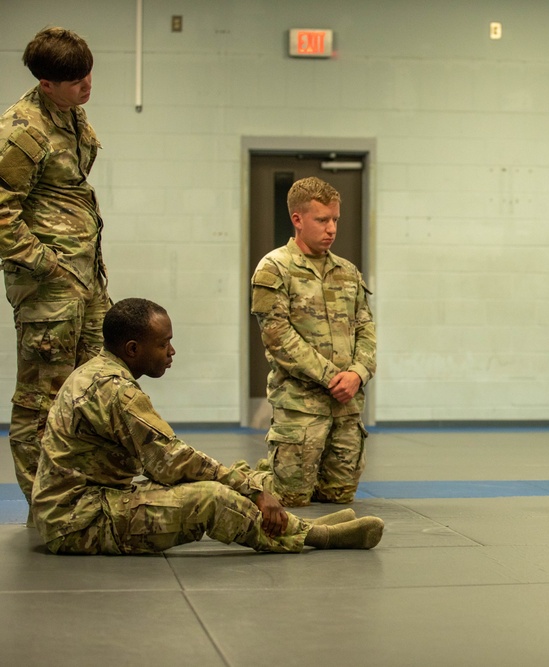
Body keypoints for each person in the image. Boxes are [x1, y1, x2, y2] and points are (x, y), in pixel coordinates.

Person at [31, 298, 385, 555]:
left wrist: (240, 483)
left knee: (211, 478)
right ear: (133, 348)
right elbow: (172, 459)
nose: (171, 351)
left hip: (82, 505)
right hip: (77, 523)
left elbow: (169, 462)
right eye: (163, 343)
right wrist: (254, 491)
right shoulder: (114, 390)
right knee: (210, 497)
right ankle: (312, 536)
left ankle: (300, 524)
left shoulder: (99, 371)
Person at [0, 27, 112, 513]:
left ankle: (84, 496)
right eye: (74, 80)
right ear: (46, 82)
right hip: (50, 288)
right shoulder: (22, 130)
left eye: (88, 74)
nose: (86, 85)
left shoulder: (70, 115)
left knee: (94, 389)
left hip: (85, 281)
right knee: (41, 401)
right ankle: (44, 507)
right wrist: (46, 264)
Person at [250, 177, 376, 506]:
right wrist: (331, 377)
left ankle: (297, 473)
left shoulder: (347, 272)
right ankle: (257, 476)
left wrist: (358, 373)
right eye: (322, 220)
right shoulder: (274, 268)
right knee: (291, 497)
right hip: (300, 405)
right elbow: (277, 336)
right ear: (297, 219)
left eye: (335, 219)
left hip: (345, 405)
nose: (331, 228)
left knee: (339, 495)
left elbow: (366, 327)